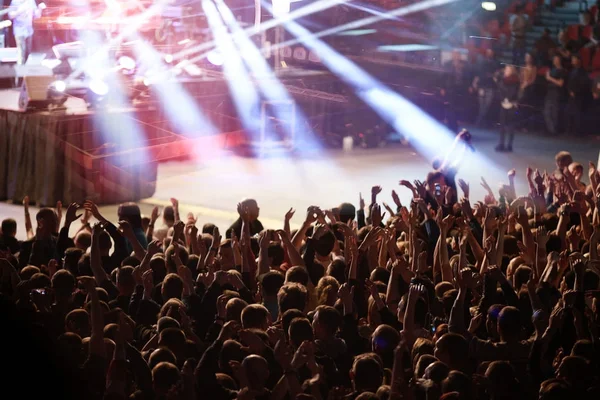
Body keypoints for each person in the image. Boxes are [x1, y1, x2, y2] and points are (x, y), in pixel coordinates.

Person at [471, 48, 502, 127]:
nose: (489, 54)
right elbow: (478, 74)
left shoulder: (495, 63)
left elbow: (498, 73)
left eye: (491, 52)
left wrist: (495, 75)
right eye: (488, 52)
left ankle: (478, 121)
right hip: (482, 86)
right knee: (482, 105)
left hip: (490, 87)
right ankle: (480, 122)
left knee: (487, 105)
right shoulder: (482, 63)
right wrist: (475, 83)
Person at [8, 0, 41, 66]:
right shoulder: (15, 2)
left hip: (29, 30)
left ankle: (26, 73)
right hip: (19, 30)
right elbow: (10, 15)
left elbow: (36, 15)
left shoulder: (31, 1)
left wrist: (40, 8)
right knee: (21, 53)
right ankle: (20, 73)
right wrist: (19, 11)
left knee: (28, 53)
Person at [496, 65, 520, 152]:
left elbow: (513, 92)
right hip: (503, 103)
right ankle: (501, 144)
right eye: (505, 69)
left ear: (511, 71)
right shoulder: (503, 80)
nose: (505, 71)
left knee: (510, 125)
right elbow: (500, 90)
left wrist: (508, 99)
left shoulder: (515, 80)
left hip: (511, 103)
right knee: (502, 124)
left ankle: (509, 145)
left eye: (507, 69)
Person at [565, 54, 590, 136]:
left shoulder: (583, 72)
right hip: (571, 95)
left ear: (578, 60)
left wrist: (575, 92)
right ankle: (569, 131)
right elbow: (568, 83)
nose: (572, 61)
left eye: (574, 59)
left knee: (578, 113)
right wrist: (570, 91)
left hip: (579, 96)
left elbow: (584, 84)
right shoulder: (572, 71)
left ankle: (578, 132)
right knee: (569, 112)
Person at [544, 55, 567, 135]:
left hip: (557, 93)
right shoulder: (552, 70)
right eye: (554, 59)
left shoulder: (562, 71)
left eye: (556, 59)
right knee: (547, 111)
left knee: (554, 112)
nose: (555, 61)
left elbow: (560, 83)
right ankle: (551, 130)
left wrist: (550, 78)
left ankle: (554, 131)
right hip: (549, 92)